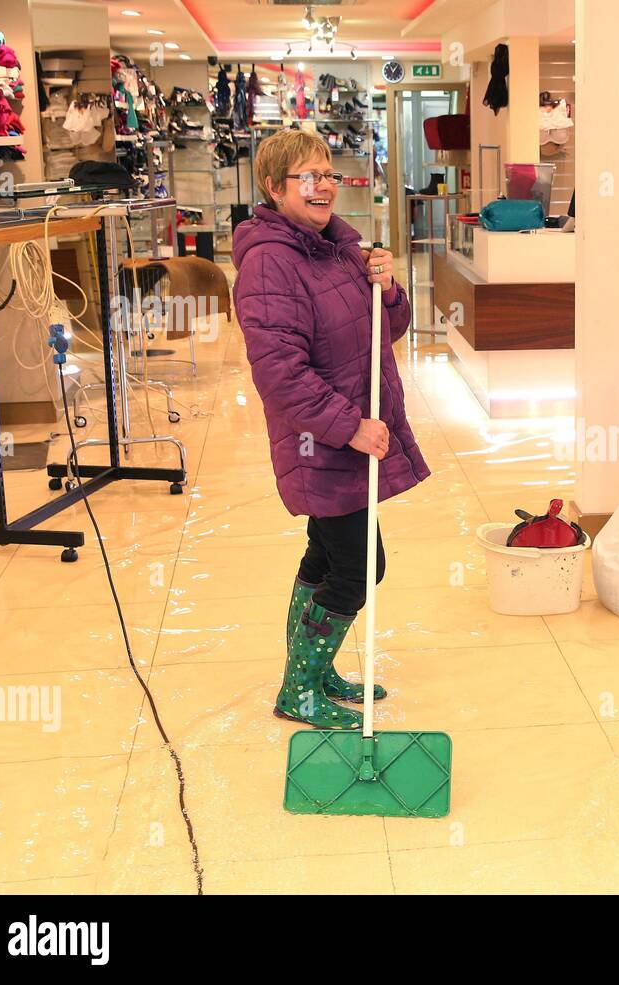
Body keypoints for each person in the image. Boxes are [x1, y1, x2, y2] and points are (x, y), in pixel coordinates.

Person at [231, 129, 430, 728]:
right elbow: (280, 373)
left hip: (348, 433)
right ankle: (298, 689)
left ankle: (314, 672)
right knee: (360, 566)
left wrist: (388, 288)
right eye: (305, 177)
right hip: (323, 439)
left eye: (328, 174)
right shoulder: (271, 261)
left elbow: (384, 332)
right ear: (273, 187)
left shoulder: (338, 248)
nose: (322, 187)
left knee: (325, 554)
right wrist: (348, 428)